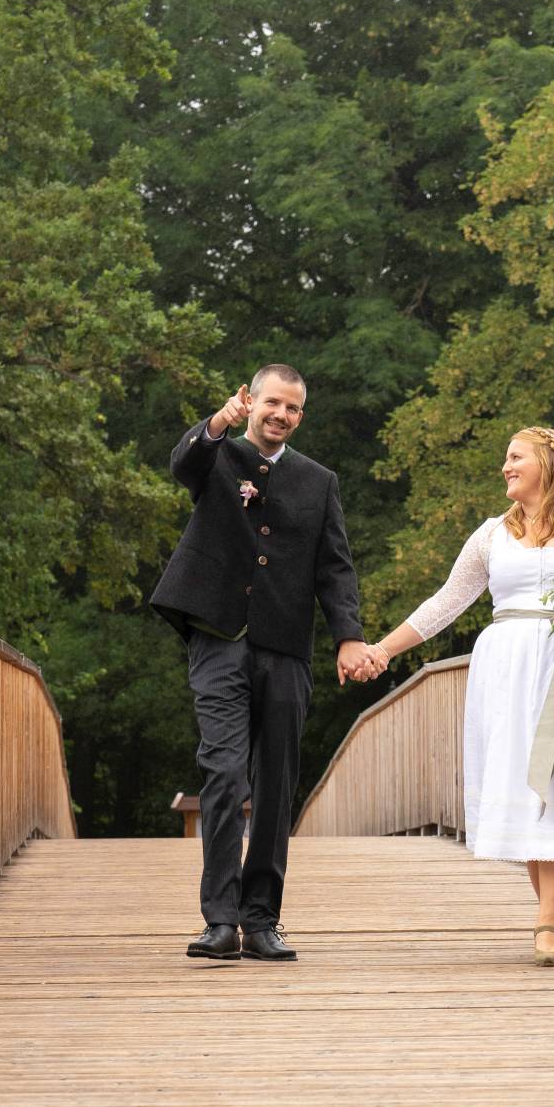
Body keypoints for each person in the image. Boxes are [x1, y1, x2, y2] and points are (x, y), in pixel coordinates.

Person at [362, 426, 554, 965]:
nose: (505, 467)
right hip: (507, 673)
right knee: (524, 783)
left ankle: (546, 920)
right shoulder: (492, 535)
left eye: (516, 457)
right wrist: (383, 650)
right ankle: (552, 912)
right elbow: (447, 602)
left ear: (549, 465)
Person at [151, 363, 374, 962]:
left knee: (275, 783)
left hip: (286, 645)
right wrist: (215, 424)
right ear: (250, 401)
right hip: (218, 638)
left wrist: (348, 637)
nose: (282, 415)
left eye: (293, 408)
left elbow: (335, 568)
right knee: (224, 773)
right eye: (273, 403)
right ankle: (220, 920)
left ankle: (261, 920)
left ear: (301, 415)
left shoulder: (319, 482)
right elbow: (183, 465)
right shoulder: (218, 454)